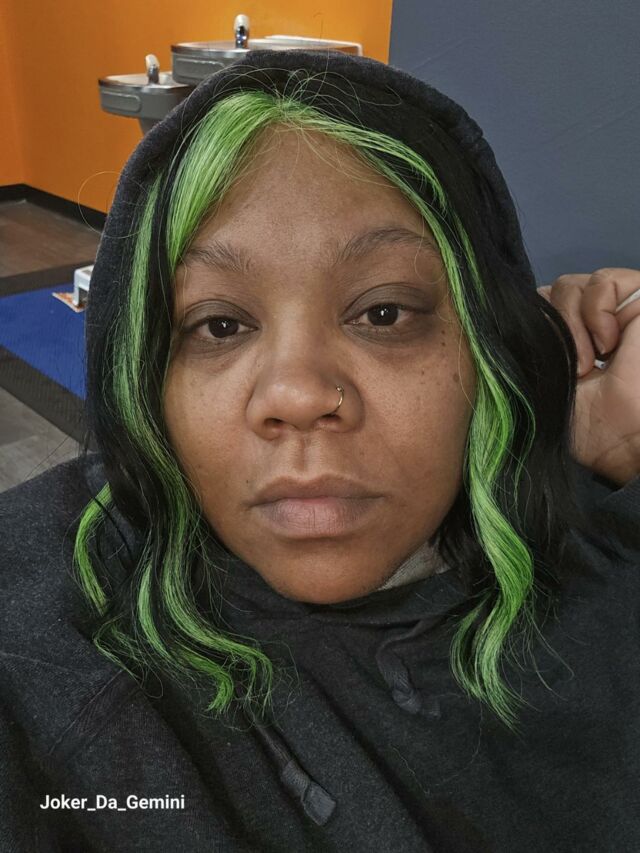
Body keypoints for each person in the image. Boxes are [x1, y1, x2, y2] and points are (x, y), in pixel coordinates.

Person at [1, 49, 639, 853]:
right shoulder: (42, 633)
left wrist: (588, 440)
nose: (298, 395)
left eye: (383, 313)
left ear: (489, 347)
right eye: (219, 324)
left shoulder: (602, 577)